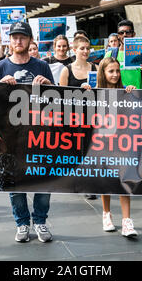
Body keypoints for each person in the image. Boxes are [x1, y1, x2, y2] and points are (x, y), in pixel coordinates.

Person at [0, 21, 54, 243]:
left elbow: (55, 99)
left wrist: (46, 84)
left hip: (39, 132)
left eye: (23, 37)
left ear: (30, 40)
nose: (18, 41)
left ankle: (41, 222)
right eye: (15, 37)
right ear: (10, 41)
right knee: (14, 180)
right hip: (11, 134)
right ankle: (22, 223)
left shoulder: (42, 66)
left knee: (43, 179)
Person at [82, 57, 138, 237]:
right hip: (102, 142)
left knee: (124, 179)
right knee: (105, 178)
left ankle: (127, 220)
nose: (115, 75)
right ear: (103, 73)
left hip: (122, 142)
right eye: (111, 71)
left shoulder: (125, 91)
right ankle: (106, 214)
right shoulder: (96, 92)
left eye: (117, 71)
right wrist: (85, 92)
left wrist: (132, 93)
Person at [60, 35, 98, 200]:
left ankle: (89, 184)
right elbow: (60, 96)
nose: (85, 51)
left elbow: (105, 88)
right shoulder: (66, 70)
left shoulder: (96, 68)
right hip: (73, 116)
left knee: (89, 149)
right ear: (74, 50)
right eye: (82, 48)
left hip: (92, 115)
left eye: (88, 48)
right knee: (76, 150)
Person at [104, 20, 142, 89]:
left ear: (133, 34)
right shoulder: (110, 55)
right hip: (117, 97)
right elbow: (103, 79)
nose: (124, 35)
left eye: (128, 32)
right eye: (121, 33)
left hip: (136, 97)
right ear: (118, 36)